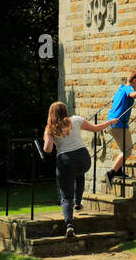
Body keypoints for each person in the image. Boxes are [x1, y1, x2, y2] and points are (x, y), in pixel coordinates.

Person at [42, 102, 112, 240]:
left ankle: (69, 225)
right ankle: (78, 203)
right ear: (65, 111)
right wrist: (110, 121)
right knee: (79, 173)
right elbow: (96, 128)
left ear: (51, 113)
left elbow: (48, 149)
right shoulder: (76, 120)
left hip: (65, 161)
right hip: (84, 159)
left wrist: (46, 138)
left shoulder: (50, 128)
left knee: (66, 196)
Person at [104, 71, 136, 185]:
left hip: (112, 122)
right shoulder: (128, 89)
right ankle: (111, 172)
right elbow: (133, 95)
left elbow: (113, 99)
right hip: (118, 124)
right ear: (134, 81)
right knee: (127, 151)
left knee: (123, 149)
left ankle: (118, 171)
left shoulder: (121, 88)